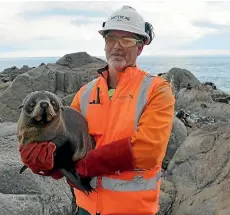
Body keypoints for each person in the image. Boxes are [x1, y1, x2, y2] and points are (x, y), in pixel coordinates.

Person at [19, 5, 175, 215]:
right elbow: (62, 137)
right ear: (104, 44)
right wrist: (46, 163)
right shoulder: (85, 93)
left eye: (126, 40)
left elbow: (149, 150)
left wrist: (86, 166)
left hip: (132, 210)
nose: (117, 46)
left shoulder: (157, 90)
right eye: (111, 39)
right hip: (87, 206)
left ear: (140, 47)